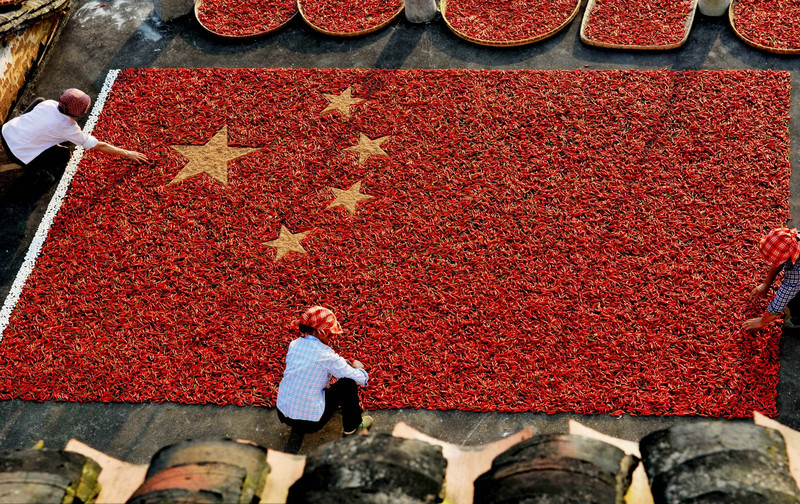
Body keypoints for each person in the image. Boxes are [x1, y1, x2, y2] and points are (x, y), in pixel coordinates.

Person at [0, 88, 147, 179]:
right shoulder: (68, 128)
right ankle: (38, 173)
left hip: (7, 131)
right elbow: (99, 145)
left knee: (39, 100)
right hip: (18, 153)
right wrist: (128, 153)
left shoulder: (48, 104)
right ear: (79, 114)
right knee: (64, 155)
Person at [276, 306, 373, 436]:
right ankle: (353, 428)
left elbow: (311, 364)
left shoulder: (294, 344)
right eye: (331, 333)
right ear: (323, 333)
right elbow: (359, 379)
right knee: (347, 385)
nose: (332, 336)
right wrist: (359, 368)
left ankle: (298, 415)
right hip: (311, 424)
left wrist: (340, 362)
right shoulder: (326, 356)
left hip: (282, 413)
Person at [744, 227, 800, 330]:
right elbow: (779, 261)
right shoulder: (792, 238)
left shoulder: (796, 273)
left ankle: (797, 320)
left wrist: (762, 321)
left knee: (795, 301)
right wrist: (766, 283)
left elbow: (782, 298)